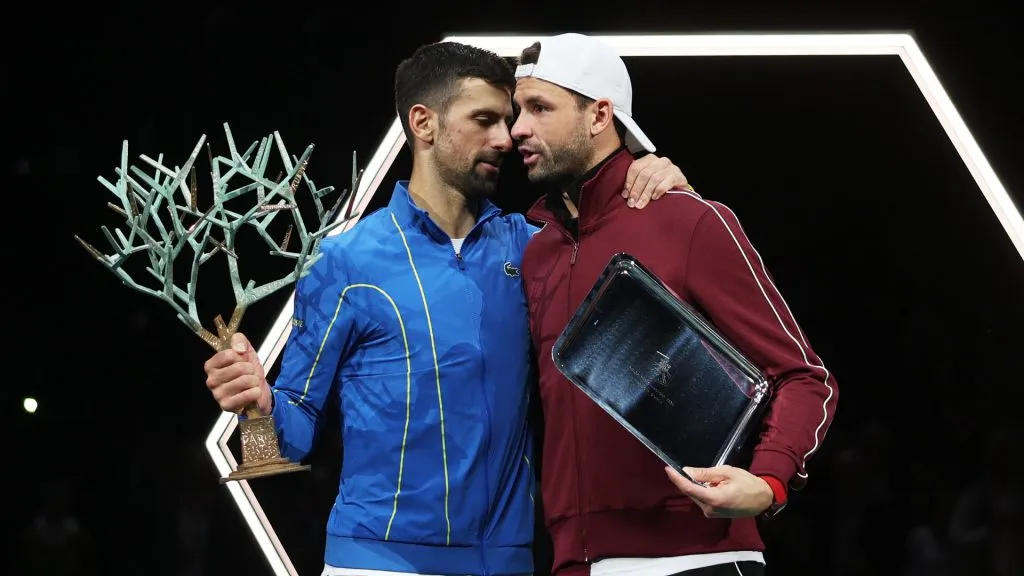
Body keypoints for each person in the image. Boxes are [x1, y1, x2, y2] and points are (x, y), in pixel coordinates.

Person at [203, 40, 691, 576]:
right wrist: (255, 406)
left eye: (508, 120)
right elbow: (285, 444)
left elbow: (645, 304)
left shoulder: (533, 248)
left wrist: (664, 184)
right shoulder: (344, 262)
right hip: (376, 564)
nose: (507, 138)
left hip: (505, 564)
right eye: (484, 120)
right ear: (424, 123)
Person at [512, 33, 839, 575]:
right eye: (517, 110)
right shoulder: (535, 250)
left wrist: (769, 481)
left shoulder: (687, 220)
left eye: (539, 108)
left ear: (599, 115)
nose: (517, 128)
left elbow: (805, 378)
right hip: (577, 561)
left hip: (697, 556)